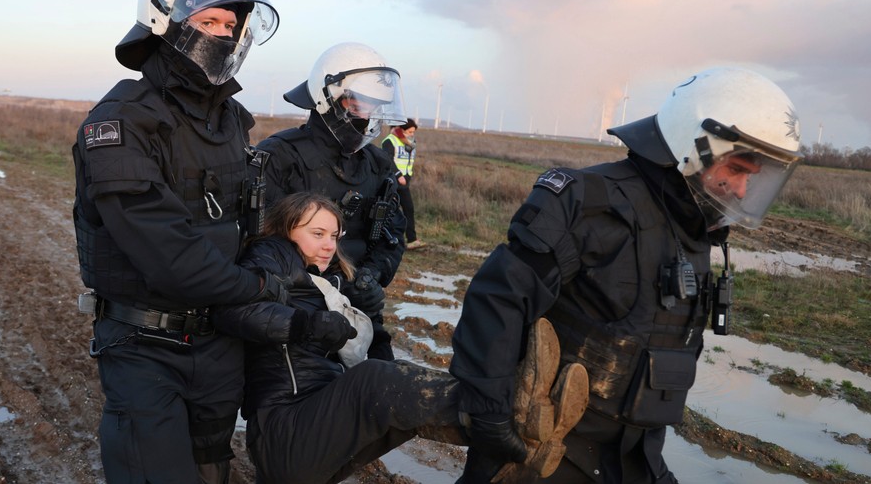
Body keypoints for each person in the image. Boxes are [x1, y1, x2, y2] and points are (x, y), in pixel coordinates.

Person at [449, 67, 804, 483]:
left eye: (751, 177)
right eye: (738, 170)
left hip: (637, 457)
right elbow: (498, 299)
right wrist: (490, 412)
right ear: (697, 145)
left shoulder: (695, 233)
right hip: (546, 451)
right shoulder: (590, 201)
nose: (742, 190)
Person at [71, 0, 285, 483]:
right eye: (208, 19)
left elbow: (256, 223)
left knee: (214, 469)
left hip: (220, 346)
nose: (225, 34)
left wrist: (282, 265)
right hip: (145, 349)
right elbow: (168, 254)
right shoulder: (121, 122)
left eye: (232, 24)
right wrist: (261, 289)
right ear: (163, 20)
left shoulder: (234, 121)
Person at [213, 192, 589, 484]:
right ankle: (510, 407)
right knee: (374, 381)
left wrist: (371, 323)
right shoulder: (271, 254)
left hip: (315, 432)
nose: (329, 244)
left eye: (334, 235)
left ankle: (520, 442)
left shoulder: (328, 283)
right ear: (286, 229)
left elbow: (366, 353)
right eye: (317, 234)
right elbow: (236, 311)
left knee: (398, 398)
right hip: (286, 432)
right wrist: (306, 325)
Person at [256, 42, 409, 361]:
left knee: (380, 399)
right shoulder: (280, 156)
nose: (367, 116)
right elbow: (260, 245)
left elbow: (392, 238)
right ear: (329, 100)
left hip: (360, 316)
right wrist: (330, 285)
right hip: (297, 320)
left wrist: (370, 278)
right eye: (359, 104)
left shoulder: (378, 165)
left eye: (375, 106)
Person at [382, 118, 424, 249]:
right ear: (402, 130)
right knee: (387, 211)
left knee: (408, 209)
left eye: (413, 132)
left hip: (405, 182)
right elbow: (387, 160)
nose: (412, 134)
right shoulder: (390, 140)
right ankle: (382, 239)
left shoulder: (411, 142)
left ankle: (411, 240)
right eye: (410, 132)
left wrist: (407, 175)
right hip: (392, 181)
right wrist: (398, 174)